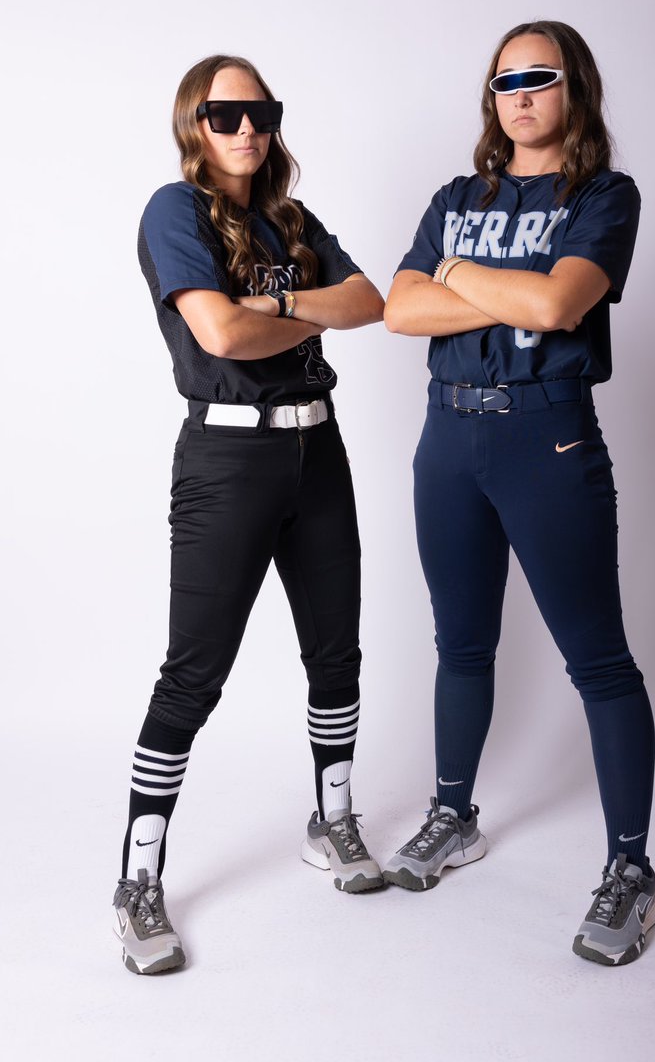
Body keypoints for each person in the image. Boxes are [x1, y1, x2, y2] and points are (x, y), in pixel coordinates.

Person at [383, 21, 655, 966]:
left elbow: (556, 307)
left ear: (572, 89)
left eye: (540, 77)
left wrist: (458, 276)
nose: (521, 93)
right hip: (448, 434)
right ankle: (453, 814)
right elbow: (397, 308)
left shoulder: (604, 195)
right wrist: (498, 284)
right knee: (461, 644)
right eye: (505, 80)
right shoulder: (457, 196)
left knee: (599, 659)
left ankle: (631, 868)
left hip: (547, 431)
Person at [112, 55, 385, 975]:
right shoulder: (175, 209)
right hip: (228, 458)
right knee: (192, 673)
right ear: (196, 121)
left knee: (336, 650)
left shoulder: (292, 220)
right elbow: (220, 335)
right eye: (225, 113)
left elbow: (371, 301)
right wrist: (306, 313)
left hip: (319, 450)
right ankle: (138, 880)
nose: (245, 129)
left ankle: (333, 819)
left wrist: (273, 302)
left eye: (260, 111)